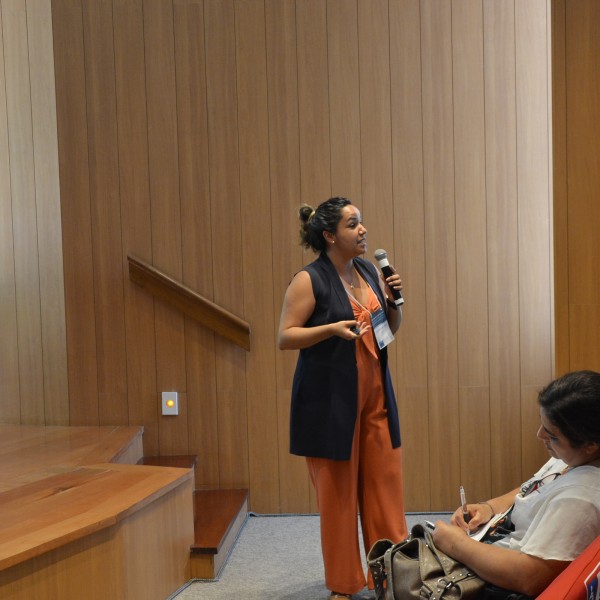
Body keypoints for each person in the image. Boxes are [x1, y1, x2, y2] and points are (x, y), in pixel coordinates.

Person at [278, 197, 408, 599]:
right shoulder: (309, 279)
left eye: (362, 222)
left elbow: (389, 330)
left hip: (375, 397)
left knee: (385, 486)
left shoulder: (369, 270)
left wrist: (392, 302)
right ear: (330, 235)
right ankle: (344, 583)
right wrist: (330, 329)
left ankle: (390, 574)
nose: (363, 230)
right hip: (329, 404)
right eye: (353, 225)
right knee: (337, 499)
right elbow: (285, 336)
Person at [432, 370, 600, 598]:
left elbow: (529, 577)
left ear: (590, 444)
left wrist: (455, 544)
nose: (539, 434)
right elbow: (532, 489)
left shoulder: (579, 499)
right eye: (542, 424)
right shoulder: (570, 459)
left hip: (496, 579)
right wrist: (489, 507)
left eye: (552, 435)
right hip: (491, 542)